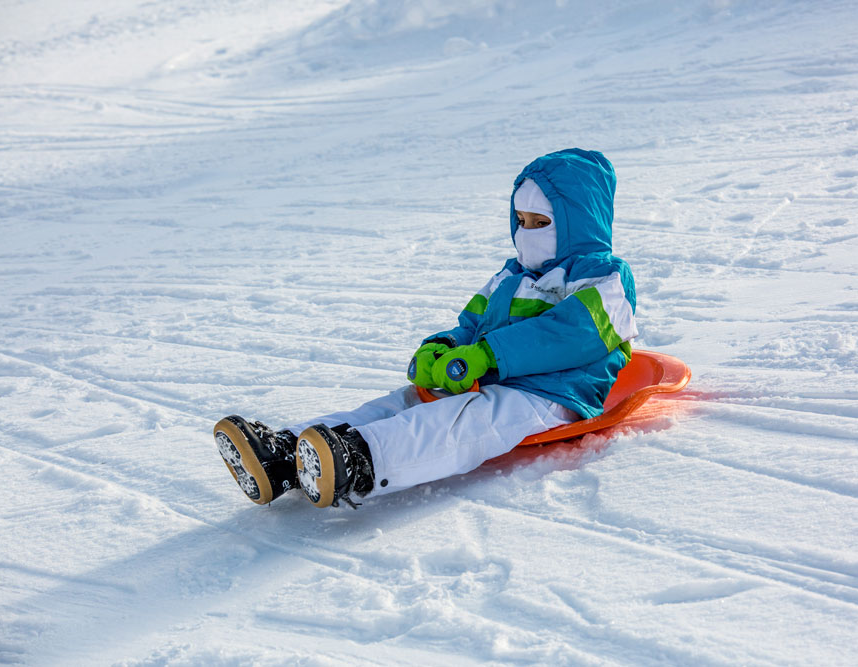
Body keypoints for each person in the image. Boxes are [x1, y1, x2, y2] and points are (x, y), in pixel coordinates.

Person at [213, 148, 638, 509]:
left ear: (579, 221)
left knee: (460, 424)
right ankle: (286, 457)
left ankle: (362, 460)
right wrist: (444, 347)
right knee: (401, 403)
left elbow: (573, 332)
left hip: (550, 393)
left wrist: (489, 355)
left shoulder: (604, 277)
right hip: (489, 375)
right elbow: (472, 323)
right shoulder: (510, 275)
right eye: (521, 221)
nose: (526, 233)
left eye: (540, 223)